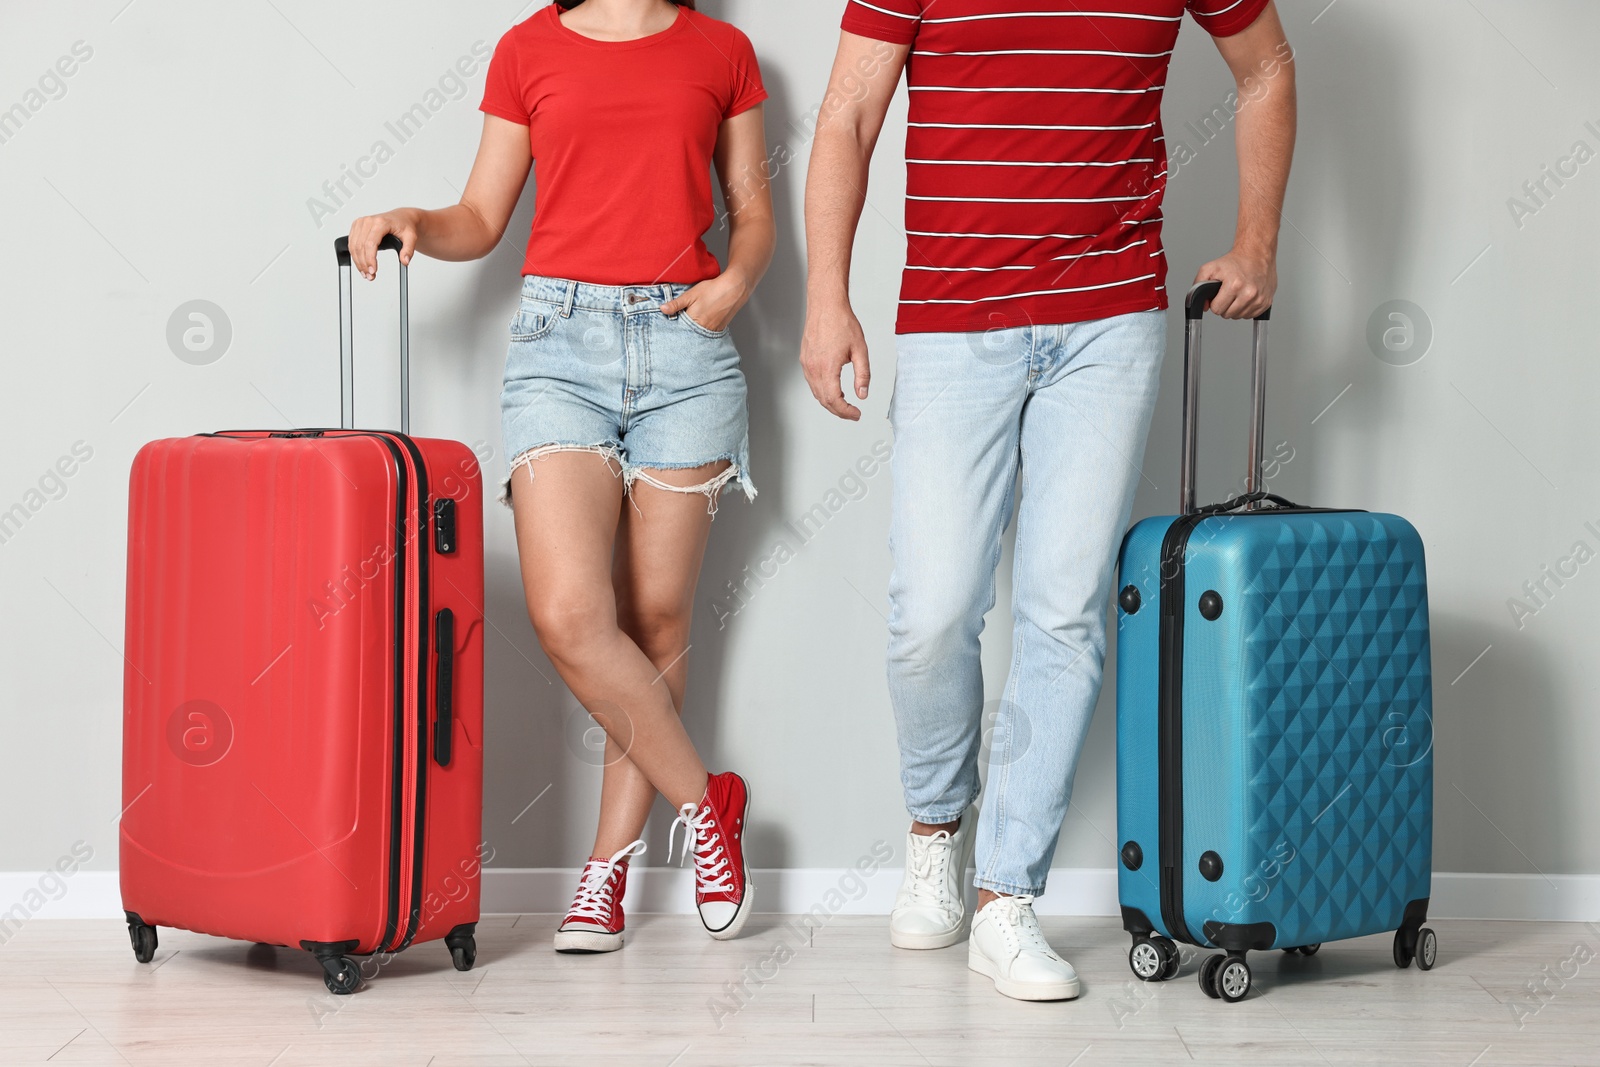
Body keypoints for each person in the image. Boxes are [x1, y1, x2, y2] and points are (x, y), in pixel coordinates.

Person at [801, 0, 1295, 1000]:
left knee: (1062, 611)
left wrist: (1256, 242)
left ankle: (1005, 896)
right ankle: (935, 829)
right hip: (952, 313)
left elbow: (1267, 66)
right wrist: (826, 298)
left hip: (1109, 318)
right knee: (932, 613)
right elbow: (850, 111)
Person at [347, 0, 774, 952]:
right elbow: (482, 217)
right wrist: (416, 217)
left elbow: (754, 216)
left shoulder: (724, 50)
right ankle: (711, 802)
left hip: (688, 349)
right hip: (558, 348)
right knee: (572, 616)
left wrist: (733, 287)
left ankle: (604, 872)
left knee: (654, 625)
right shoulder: (527, 47)